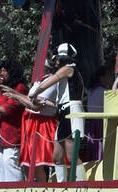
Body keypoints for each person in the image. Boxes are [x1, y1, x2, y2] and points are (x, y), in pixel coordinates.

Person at [29, 43, 84, 181]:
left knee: (72, 155)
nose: (56, 62)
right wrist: (41, 100)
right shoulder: (65, 71)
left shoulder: (68, 69)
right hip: (63, 111)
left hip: (72, 111)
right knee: (57, 157)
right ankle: (61, 185)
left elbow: (50, 82)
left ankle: (81, 185)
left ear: (65, 58)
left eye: (58, 59)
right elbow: (58, 99)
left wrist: (35, 92)